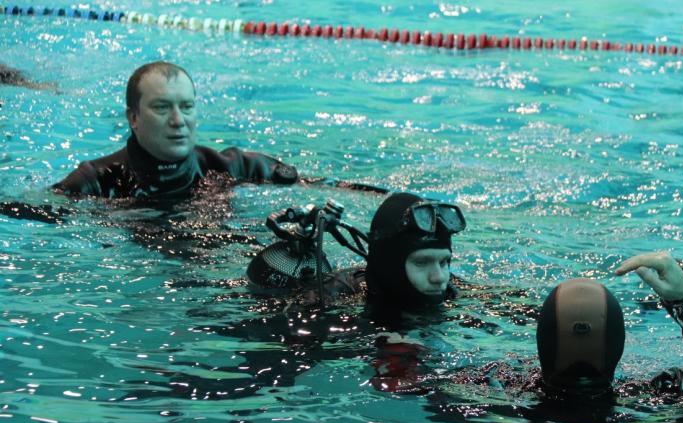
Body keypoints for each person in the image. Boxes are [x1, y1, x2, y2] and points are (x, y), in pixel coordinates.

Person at [371, 251, 683, 396]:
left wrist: (397, 353)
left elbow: (403, 386)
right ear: (617, 343)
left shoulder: (500, 389)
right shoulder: (651, 401)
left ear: (543, 339)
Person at [51, 61, 300, 199]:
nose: (178, 120)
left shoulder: (231, 168)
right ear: (134, 118)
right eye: (162, 108)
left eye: (187, 106)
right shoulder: (97, 181)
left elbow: (325, 189)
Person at [247, 192, 466, 314]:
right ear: (391, 265)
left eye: (444, 261)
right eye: (421, 263)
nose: (439, 277)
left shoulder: (449, 289)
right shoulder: (330, 306)